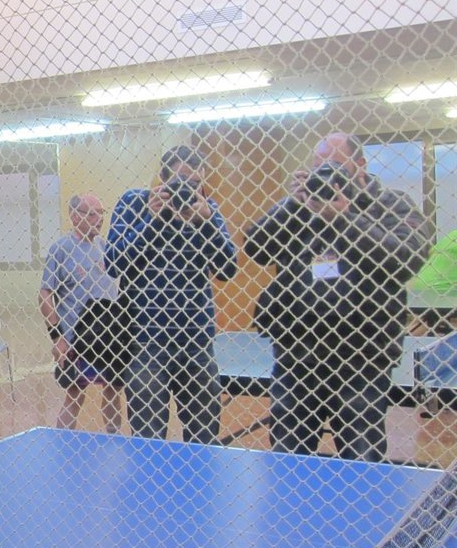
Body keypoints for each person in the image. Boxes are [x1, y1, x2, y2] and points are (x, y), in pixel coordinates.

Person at [243, 133, 432, 461]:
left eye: (334, 165)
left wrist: (344, 219)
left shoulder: (390, 203)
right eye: (318, 166)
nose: (326, 172)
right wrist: (294, 203)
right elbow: (256, 247)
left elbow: (406, 259)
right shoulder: (302, 208)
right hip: (297, 353)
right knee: (288, 455)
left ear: (360, 165)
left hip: (362, 354)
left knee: (361, 457)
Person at [105, 145, 238, 442]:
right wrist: (153, 220)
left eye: (195, 183)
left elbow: (228, 268)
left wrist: (205, 222)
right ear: (163, 179)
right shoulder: (135, 203)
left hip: (197, 340)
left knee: (204, 437)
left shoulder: (206, 209)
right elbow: (113, 263)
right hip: (146, 340)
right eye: (181, 181)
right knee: (148, 439)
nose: (187, 190)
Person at [39, 193, 128, 434]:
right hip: (77, 339)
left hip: (109, 338)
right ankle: (64, 444)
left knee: (113, 391)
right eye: (92, 213)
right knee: (75, 394)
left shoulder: (106, 248)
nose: (99, 219)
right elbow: (45, 294)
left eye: (101, 213)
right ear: (75, 216)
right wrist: (57, 337)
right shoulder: (61, 249)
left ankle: (114, 441)